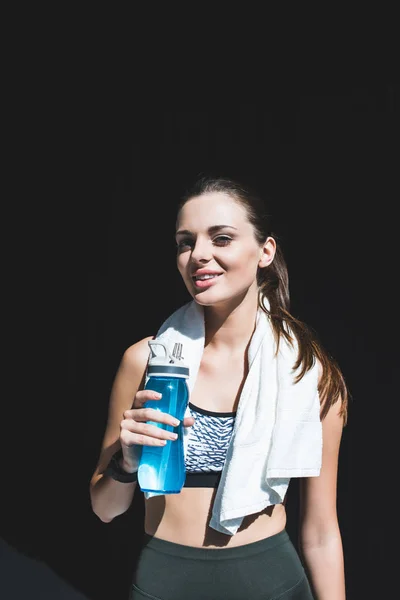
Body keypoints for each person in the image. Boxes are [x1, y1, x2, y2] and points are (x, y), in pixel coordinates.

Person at [89, 174, 349, 600]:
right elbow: (104, 509)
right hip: (164, 582)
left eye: (222, 238)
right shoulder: (145, 361)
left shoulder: (306, 372)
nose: (198, 255)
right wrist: (126, 462)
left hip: (273, 584)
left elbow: (321, 533)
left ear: (265, 251)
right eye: (185, 242)